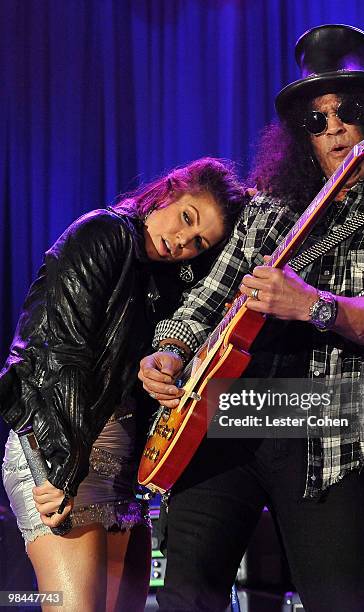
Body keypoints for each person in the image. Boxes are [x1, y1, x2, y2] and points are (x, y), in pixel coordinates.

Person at [138, 25, 364, 612]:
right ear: (301, 136)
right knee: (187, 596)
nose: (334, 127)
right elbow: (203, 304)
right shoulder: (267, 208)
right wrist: (170, 351)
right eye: (317, 119)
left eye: (350, 111)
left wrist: (312, 305)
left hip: (328, 423)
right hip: (224, 415)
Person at [0, 157, 246, 612]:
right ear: (169, 191)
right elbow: (62, 357)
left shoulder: (165, 280)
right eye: (186, 219)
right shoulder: (105, 232)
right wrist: (59, 470)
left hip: (120, 478)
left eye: (199, 242)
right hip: (64, 456)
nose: (183, 242)